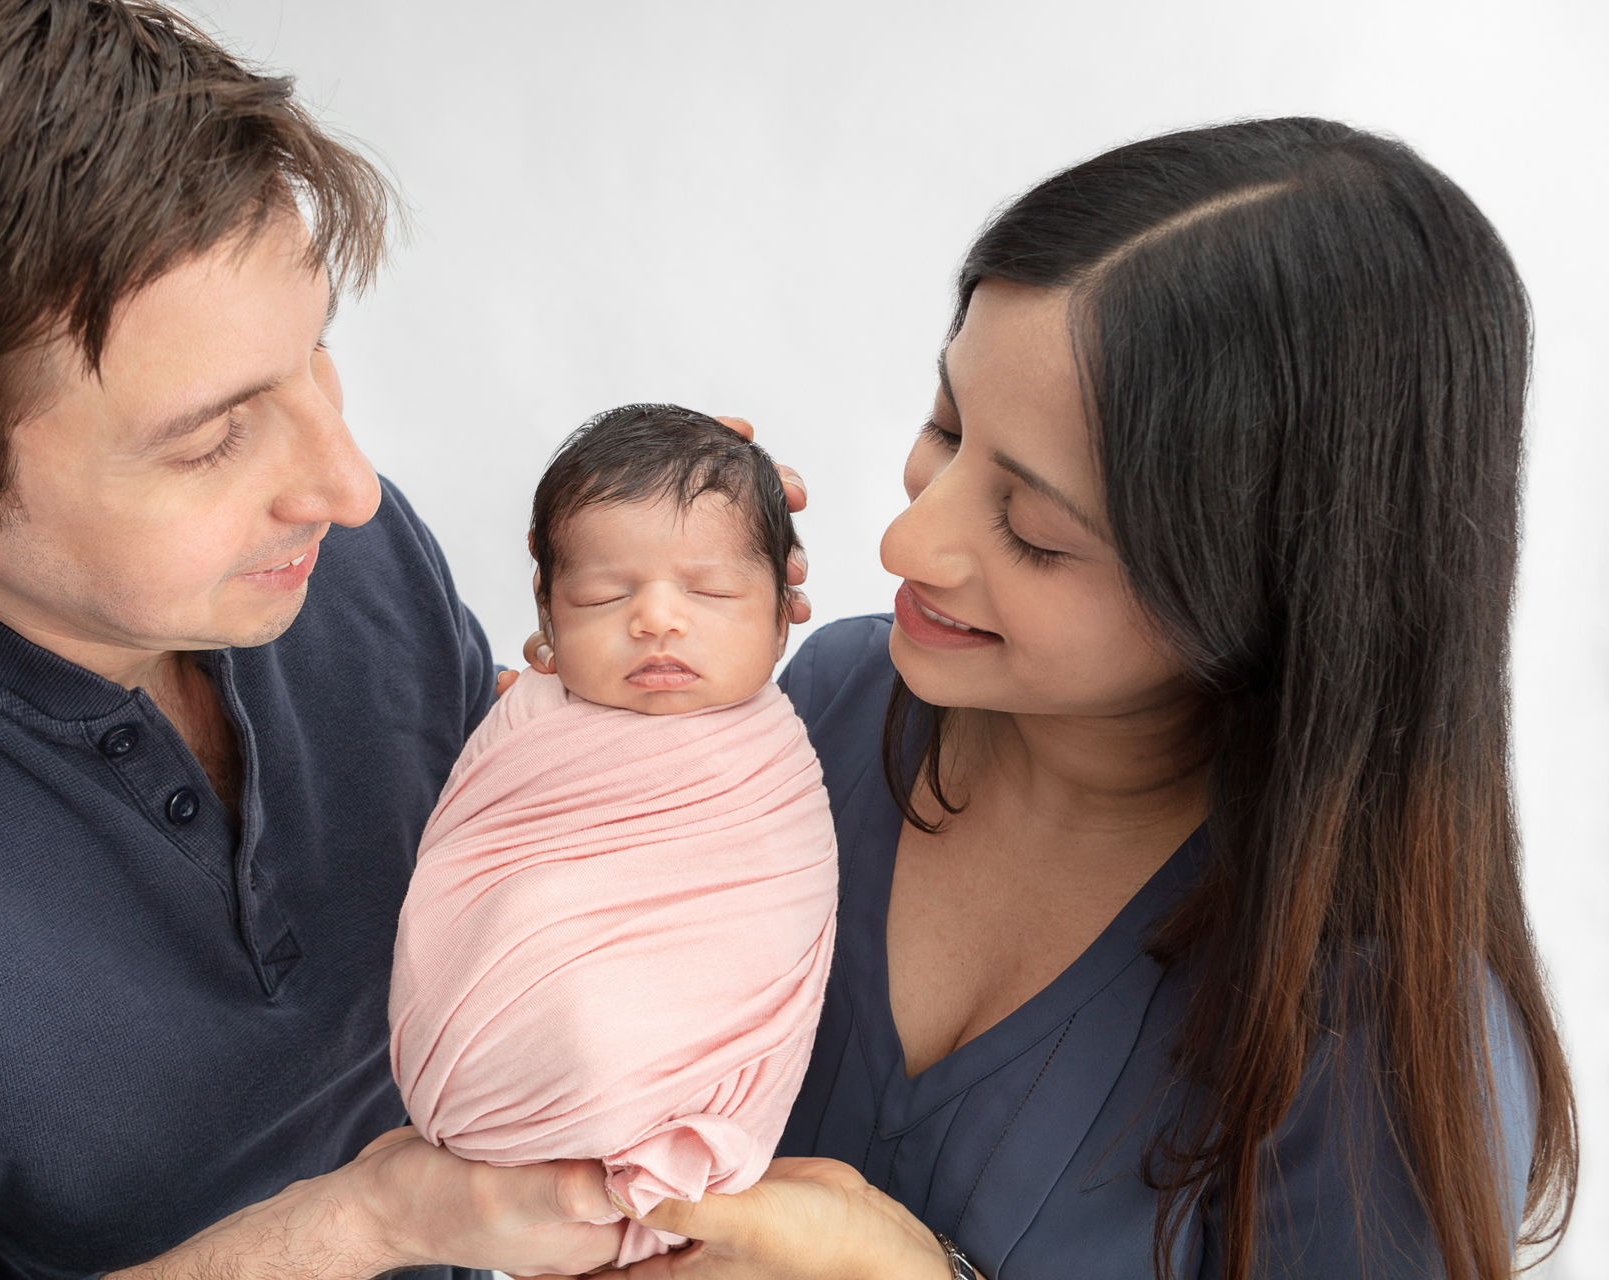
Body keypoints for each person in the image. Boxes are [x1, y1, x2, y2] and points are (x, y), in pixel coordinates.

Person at [0, 3, 815, 1277]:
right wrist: (370, 1221)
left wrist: (657, 636)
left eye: (316, 352)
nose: (346, 484)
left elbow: (509, 824)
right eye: (213, 434)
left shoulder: (332, 562)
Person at [558, 120, 1580, 1279]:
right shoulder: (835, 704)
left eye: (1036, 533)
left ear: (1276, 590)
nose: (907, 539)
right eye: (945, 428)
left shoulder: (1378, 1041)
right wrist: (582, 734)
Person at [390, 406, 838, 1267]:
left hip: (674, 1097)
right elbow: (475, 867)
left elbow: (770, 919)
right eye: (602, 594)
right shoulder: (527, 721)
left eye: (710, 592)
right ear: (549, 615)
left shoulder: (771, 766)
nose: (657, 620)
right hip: (481, 1087)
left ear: (785, 614)